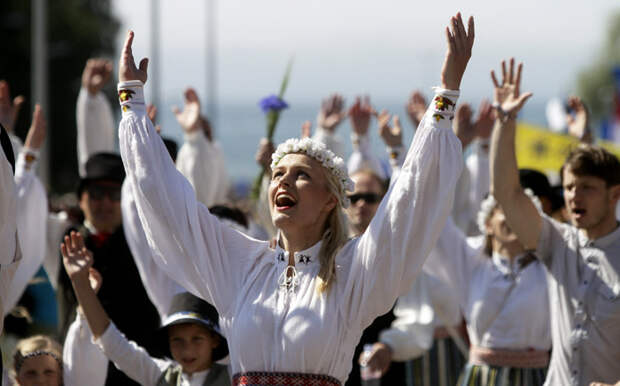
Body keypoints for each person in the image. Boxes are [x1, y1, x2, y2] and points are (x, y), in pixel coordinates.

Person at [117, 10, 473, 385]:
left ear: (330, 201)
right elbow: (171, 206)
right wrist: (132, 104)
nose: (283, 182)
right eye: (279, 174)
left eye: (302, 175)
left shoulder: (353, 272)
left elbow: (409, 203)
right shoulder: (239, 265)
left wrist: (445, 95)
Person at [489, 58, 620, 385]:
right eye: (569, 187)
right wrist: (505, 122)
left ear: (615, 195)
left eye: (587, 188)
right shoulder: (557, 242)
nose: (574, 197)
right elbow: (507, 193)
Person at [61, 231, 230, 386]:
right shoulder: (160, 374)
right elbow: (110, 341)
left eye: (197, 339)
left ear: (214, 340)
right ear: (168, 342)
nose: (187, 349)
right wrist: (80, 283)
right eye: (177, 340)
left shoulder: (235, 376)